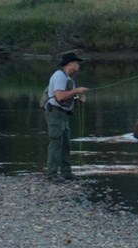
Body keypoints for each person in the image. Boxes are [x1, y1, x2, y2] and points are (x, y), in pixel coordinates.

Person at [43, 52, 89, 182]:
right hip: (55, 113)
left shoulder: (69, 79)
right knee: (56, 142)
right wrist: (77, 91)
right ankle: (51, 174)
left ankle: (66, 173)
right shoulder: (59, 76)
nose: (78, 65)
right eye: (76, 62)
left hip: (63, 114)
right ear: (70, 64)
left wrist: (78, 98)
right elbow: (60, 96)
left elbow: (68, 96)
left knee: (65, 144)